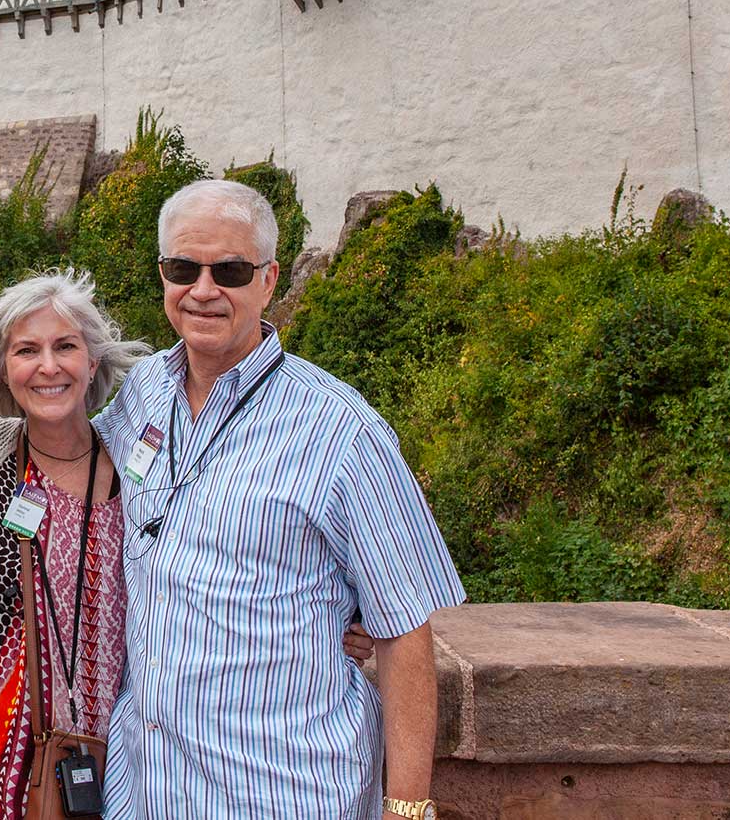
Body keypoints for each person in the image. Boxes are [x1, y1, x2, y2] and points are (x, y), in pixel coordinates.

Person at [98, 180, 465, 820]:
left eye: (230, 270)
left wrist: (408, 809)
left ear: (268, 282)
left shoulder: (342, 429)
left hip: (280, 788)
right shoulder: (144, 391)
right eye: (183, 268)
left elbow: (405, 632)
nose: (203, 290)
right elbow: (64, 458)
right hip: (147, 785)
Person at [0, 270, 149, 820]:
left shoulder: (136, 462)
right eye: (27, 350)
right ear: (5, 370)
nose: (48, 366)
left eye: (66, 346)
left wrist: (345, 616)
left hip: (115, 751)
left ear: (93, 362)